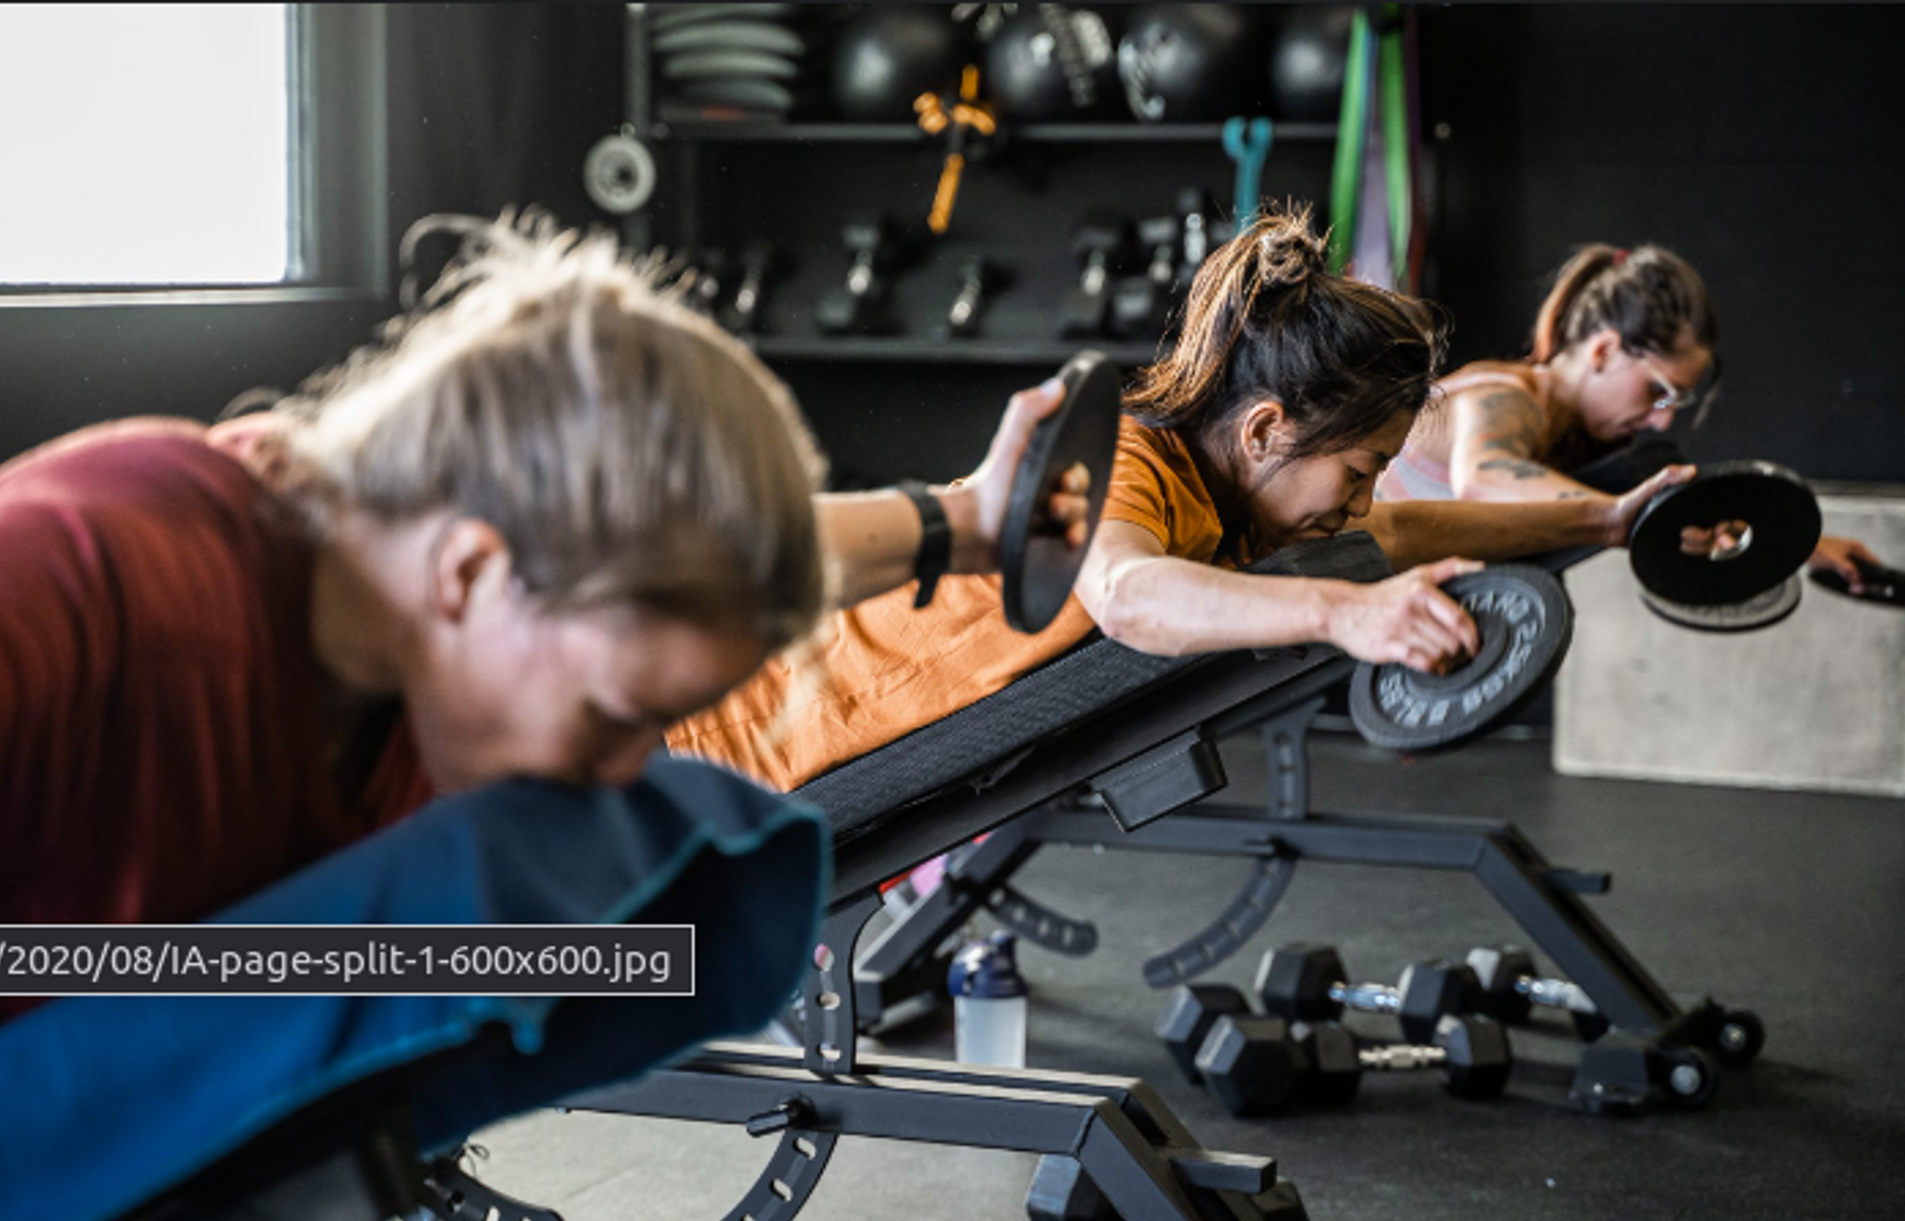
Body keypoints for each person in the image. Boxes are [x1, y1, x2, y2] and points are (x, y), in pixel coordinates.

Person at [0, 211, 1090, 1023]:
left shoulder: (439, 606)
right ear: (470, 574)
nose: (623, 768)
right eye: (614, 715)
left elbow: (766, 561)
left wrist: (967, 522)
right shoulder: (94, 577)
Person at [667, 206, 1691, 793]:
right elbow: (1124, 593)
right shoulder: (1127, 456)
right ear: (1264, 431)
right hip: (697, 740)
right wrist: (1349, 611)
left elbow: (1407, 524)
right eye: (1358, 467)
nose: (1362, 497)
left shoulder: (1232, 498)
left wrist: (1604, 520)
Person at [1374, 242, 1879, 584]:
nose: (1660, 418)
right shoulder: (1508, 399)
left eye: (1675, 401)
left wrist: (1796, 544)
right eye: (1658, 391)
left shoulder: (1567, 437)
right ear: (1604, 352)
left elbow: (1665, 507)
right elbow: (1485, 481)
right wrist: (1630, 518)